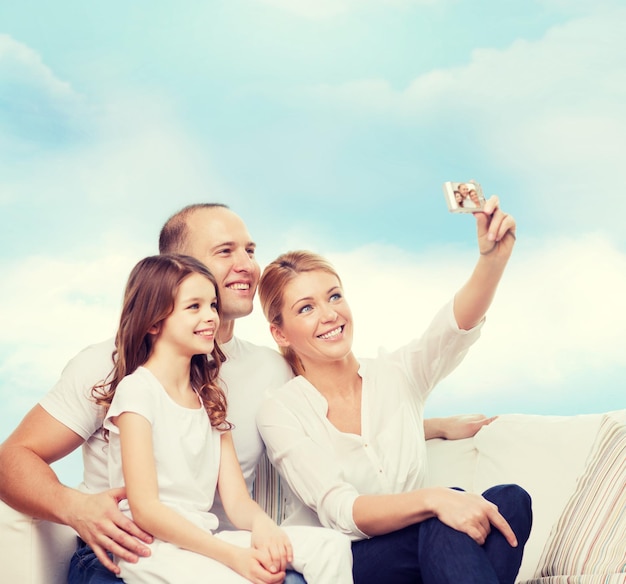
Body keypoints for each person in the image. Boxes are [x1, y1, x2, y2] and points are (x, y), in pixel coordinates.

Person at [0, 203, 495, 584]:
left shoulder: (269, 369)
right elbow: (13, 459)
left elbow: (329, 417)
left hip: (223, 549)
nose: (246, 265)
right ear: (176, 267)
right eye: (225, 252)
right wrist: (73, 506)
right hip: (130, 555)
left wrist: (430, 426)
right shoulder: (111, 367)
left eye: (250, 250)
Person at [256, 196, 533, 584]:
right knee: (446, 511)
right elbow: (342, 510)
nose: (330, 314)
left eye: (334, 295)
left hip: (426, 549)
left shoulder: (396, 376)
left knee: (510, 500)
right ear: (280, 332)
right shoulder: (281, 411)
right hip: (348, 562)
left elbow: (452, 332)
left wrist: (492, 261)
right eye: (306, 308)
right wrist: (434, 498)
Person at [95, 253, 352, 583]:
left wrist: (263, 527)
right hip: (152, 550)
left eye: (213, 305)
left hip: (204, 539)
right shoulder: (137, 391)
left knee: (330, 546)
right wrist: (235, 558)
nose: (211, 317)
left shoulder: (209, 397)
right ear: (154, 322)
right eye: (194, 307)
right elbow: (146, 509)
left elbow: (237, 501)